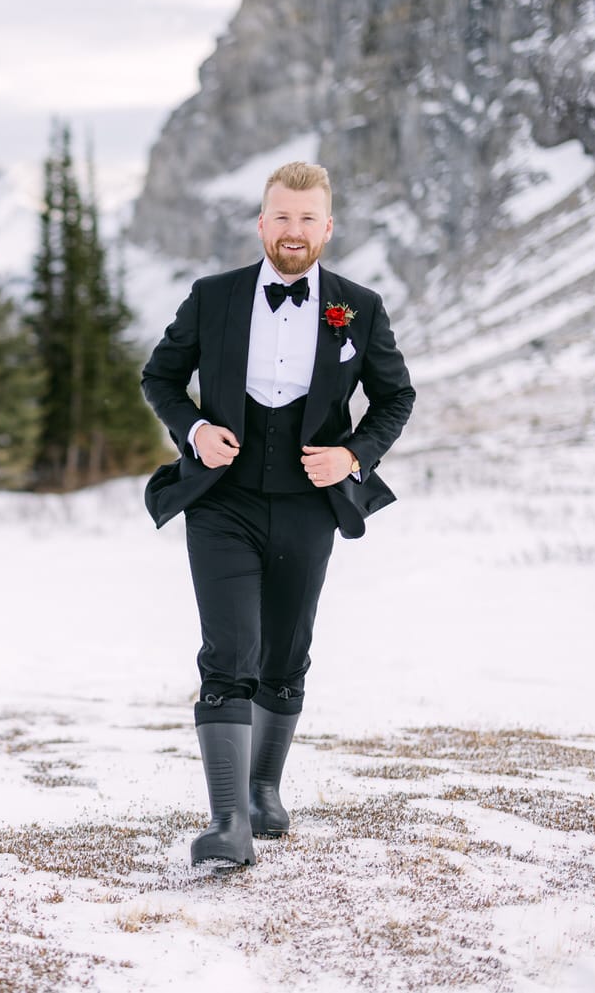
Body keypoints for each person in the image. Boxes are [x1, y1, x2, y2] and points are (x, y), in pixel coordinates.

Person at [140, 161, 415, 868]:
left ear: (328, 227)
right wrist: (194, 430)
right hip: (221, 503)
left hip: (307, 507)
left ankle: (264, 789)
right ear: (262, 223)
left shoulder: (359, 307)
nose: (294, 232)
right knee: (229, 654)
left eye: (307, 219)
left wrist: (354, 455)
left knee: (285, 658)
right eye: (281, 217)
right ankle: (228, 823)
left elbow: (395, 398)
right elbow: (161, 377)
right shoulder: (213, 298)